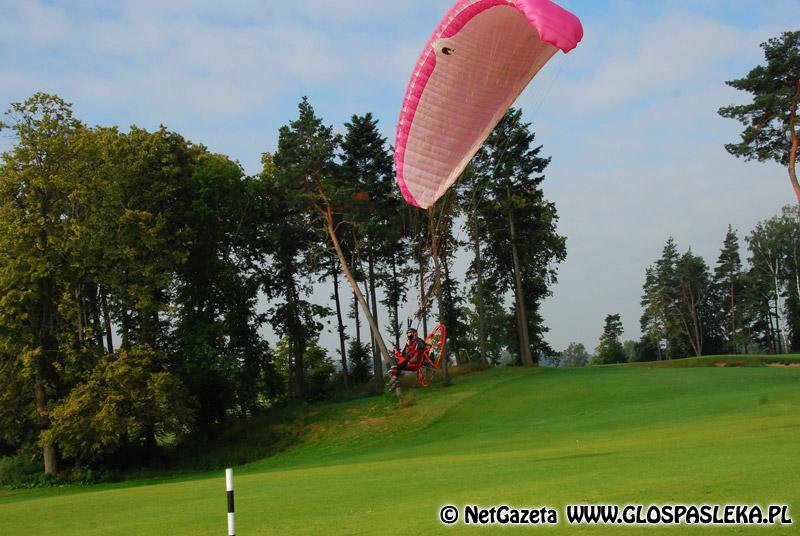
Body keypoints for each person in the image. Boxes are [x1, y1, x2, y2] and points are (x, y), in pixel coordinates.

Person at [387, 327, 427, 393]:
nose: (408, 335)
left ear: (414, 334)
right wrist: (396, 351)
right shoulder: (408, 343)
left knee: (393, 360)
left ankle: (394, 376)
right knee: (389, 363)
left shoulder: (419, 341)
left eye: (409, 333)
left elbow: (421, 346)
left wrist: (410, 345)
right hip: (406, 362)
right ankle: (396, 382)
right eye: (407, 334)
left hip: (411, 362)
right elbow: (403, 354)